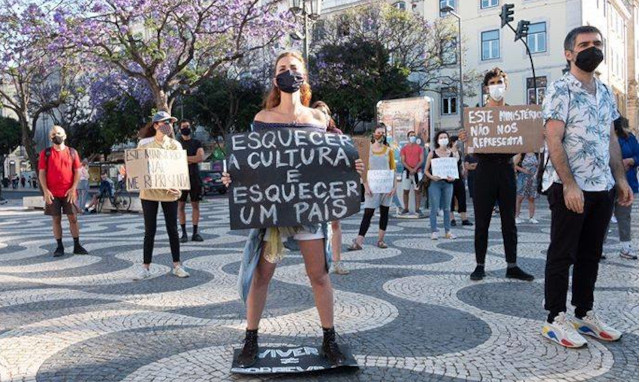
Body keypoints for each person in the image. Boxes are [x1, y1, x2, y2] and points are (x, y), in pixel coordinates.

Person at [222, 52, 364, 368]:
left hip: (310, 208)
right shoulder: (262, 118)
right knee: (261, 276)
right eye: (282, 69)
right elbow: (251, 162)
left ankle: (329, 339)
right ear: (275, 79)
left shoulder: (319, 119)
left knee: (319, 274)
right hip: (273, 211)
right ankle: (251, 338)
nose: (288, 72)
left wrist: (352, 165)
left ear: (304, 76)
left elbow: (339, 155)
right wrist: (234, 174)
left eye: (294, 68)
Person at [540, 26, 634, 348]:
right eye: (584, 44)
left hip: (601, 186)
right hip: (570, 187)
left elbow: (610, 139)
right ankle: (555, 318)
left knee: (591, 254)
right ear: (569, 53)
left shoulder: (606, 91)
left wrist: (620, 179)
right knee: (562, 253)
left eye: (597, 43)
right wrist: (569, 184)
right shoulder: (560, 89)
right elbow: (553, 138)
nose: (592, 48)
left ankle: (584, 313)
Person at [459, 68, 534, 282]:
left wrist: (518, 158)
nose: (496, 86)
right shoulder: (477, 114)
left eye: (499, 81)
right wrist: (465, 138)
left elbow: (524, 142)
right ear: (486, 87)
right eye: (492, 82)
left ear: (506, 85)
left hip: (506, 169)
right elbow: (470, 148)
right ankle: (479, 265)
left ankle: (512, 265)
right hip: (484, 169)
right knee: (482, 221)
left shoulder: (514, 113)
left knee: (509, 221)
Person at [134, 111, 190, 280]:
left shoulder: (175, 145)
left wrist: (179, 189)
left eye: (170, 122)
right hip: (148, 193)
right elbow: (138, 168)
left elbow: (180, 170)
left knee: (172, 229)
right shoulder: (144, 146)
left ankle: (177, 265)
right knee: (149, 230)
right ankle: (145, 267)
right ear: (156, 125)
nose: (168, 125)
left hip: (169, 193)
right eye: (165, 122)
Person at [38, 125, 89, 257]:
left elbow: (77, 171)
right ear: (50, 137)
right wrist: (45, 190)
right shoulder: (46, 153)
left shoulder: (72, 152)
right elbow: (42, 173)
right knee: (56, 219)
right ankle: (59, 246)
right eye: (54, 134)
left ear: (65, 135)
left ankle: (77, 245)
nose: (56, 136)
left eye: (59, 133)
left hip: (69, 193)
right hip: (52, 193)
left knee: (73, 218)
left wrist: (73, 188)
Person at [312, 100, 349, 275]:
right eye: (318, 113)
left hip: (334, 184)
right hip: (314, 186)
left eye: (325, 113)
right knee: (316, 226)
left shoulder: (337, 134)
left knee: (335, 224)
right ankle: (318, 263)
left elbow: (345, 160)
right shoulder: (307, 136)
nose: (322, 116)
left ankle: (337, 262)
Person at [348, 124, 396, 250]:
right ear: (374, 134)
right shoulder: (367, 150)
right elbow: (362, 170)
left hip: (386, 186)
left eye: (383, 132)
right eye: (378, 132)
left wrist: (394, 186)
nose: (381, 135)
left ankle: (381, 240)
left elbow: (393, 169)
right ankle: (358, 241)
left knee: (384, 212)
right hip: (372, 187)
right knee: (368, 213)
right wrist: (365, 186)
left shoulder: (389, 150)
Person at [611, 116, 638, 259]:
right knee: (601, 217)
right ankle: (598, 247)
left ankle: (626, 247)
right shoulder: (605, 138)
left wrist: (631, 160)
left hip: (627, 182)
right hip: (608, 183)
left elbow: (638, 155)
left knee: (624, 216)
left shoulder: (630, 138)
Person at [425, 131, 457, 240]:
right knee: (434, 207)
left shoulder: (451, 154)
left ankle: (447, 231)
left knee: (447, 208)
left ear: (448, 139)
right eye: (441, 137)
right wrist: (432, 177)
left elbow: (454, 170)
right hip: (435, 183)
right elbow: (426, 171)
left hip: (448, 184)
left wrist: (453, 177)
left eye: (445, 137)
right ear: (437, 140)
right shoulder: (432, 153)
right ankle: (434, 231)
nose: (443, 139)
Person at [177, 119, 205, 243]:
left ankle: (195, 232)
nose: (186, 128)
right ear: (179, 129)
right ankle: (183, 233)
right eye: (183, 126)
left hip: (195, 177)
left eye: (187, 126)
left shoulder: (197, 142)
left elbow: (200, 157)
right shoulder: (177, 144)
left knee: (195, 205)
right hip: (180, 178)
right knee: (180, 206)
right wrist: (191, 158)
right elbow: (175, 160)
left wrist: (183, 158)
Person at [400, 130, 424, 216]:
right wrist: (410, 169)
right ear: (408, 137)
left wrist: (415, 169)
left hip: (417, 172)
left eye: (414, 135)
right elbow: (403, 161)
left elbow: (421, 160)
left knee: (418, 191)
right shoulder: (404, 148)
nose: (412, 137)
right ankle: (405, 208)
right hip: (407, 172)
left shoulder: (419, 148)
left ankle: (418, 209)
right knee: (405, 190)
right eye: (411, 135)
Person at [450, 136, 473, 227]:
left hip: (458, 176)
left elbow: (461, 163)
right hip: (449, 177)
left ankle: (464, 218)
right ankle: (451, 218)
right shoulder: (448, 152)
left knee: (462, 196)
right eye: (457, 141)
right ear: (452, 142)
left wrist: (463, 170)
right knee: (450, 198)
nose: (458, 143)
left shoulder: (459, 152)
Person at [514, 153, 540, 224]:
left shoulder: (537, 154)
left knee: (532, 198)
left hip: (533, 178)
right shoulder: (522, 154)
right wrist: (523, 170)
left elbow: (539, 165)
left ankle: (531, 217)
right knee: (519, 197)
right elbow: (514, 165)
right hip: (523, 177)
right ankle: (516, 216)